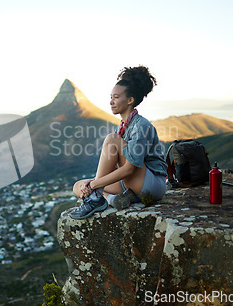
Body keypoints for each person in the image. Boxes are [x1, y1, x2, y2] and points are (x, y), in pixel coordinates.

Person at [70, 66, 167, 219]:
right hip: (131, 183)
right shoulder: (121, 128)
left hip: (151, 184)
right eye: (111, 97)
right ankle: (112, 199)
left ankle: (96, 198)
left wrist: (96, 184)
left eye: (116, 97)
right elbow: (116, 169)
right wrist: (91, 185)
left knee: (111, 140)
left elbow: (129, 169)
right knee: (79, 186)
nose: (111, 102)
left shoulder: (141, 125)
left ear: (130, 100)